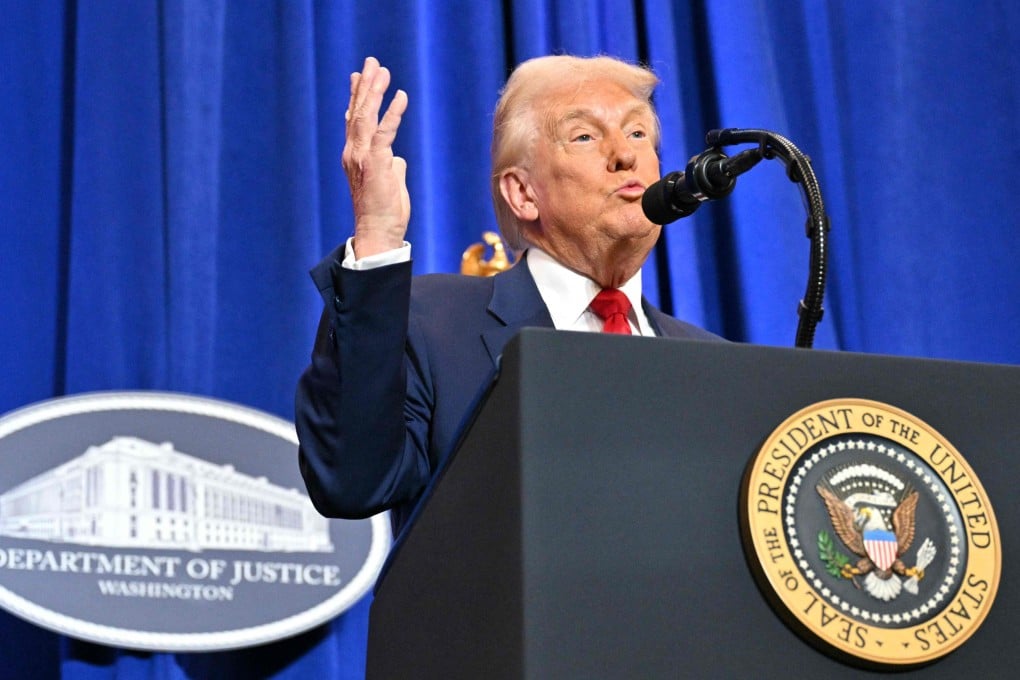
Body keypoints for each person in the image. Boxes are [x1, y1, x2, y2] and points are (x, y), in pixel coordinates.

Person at [295, 55, 720, 536]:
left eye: (638, 132)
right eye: (584, 136)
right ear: (523, 194)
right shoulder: (430, 327)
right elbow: (351, 482)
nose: (625, 154)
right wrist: (377, 233)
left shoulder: (713, 365)